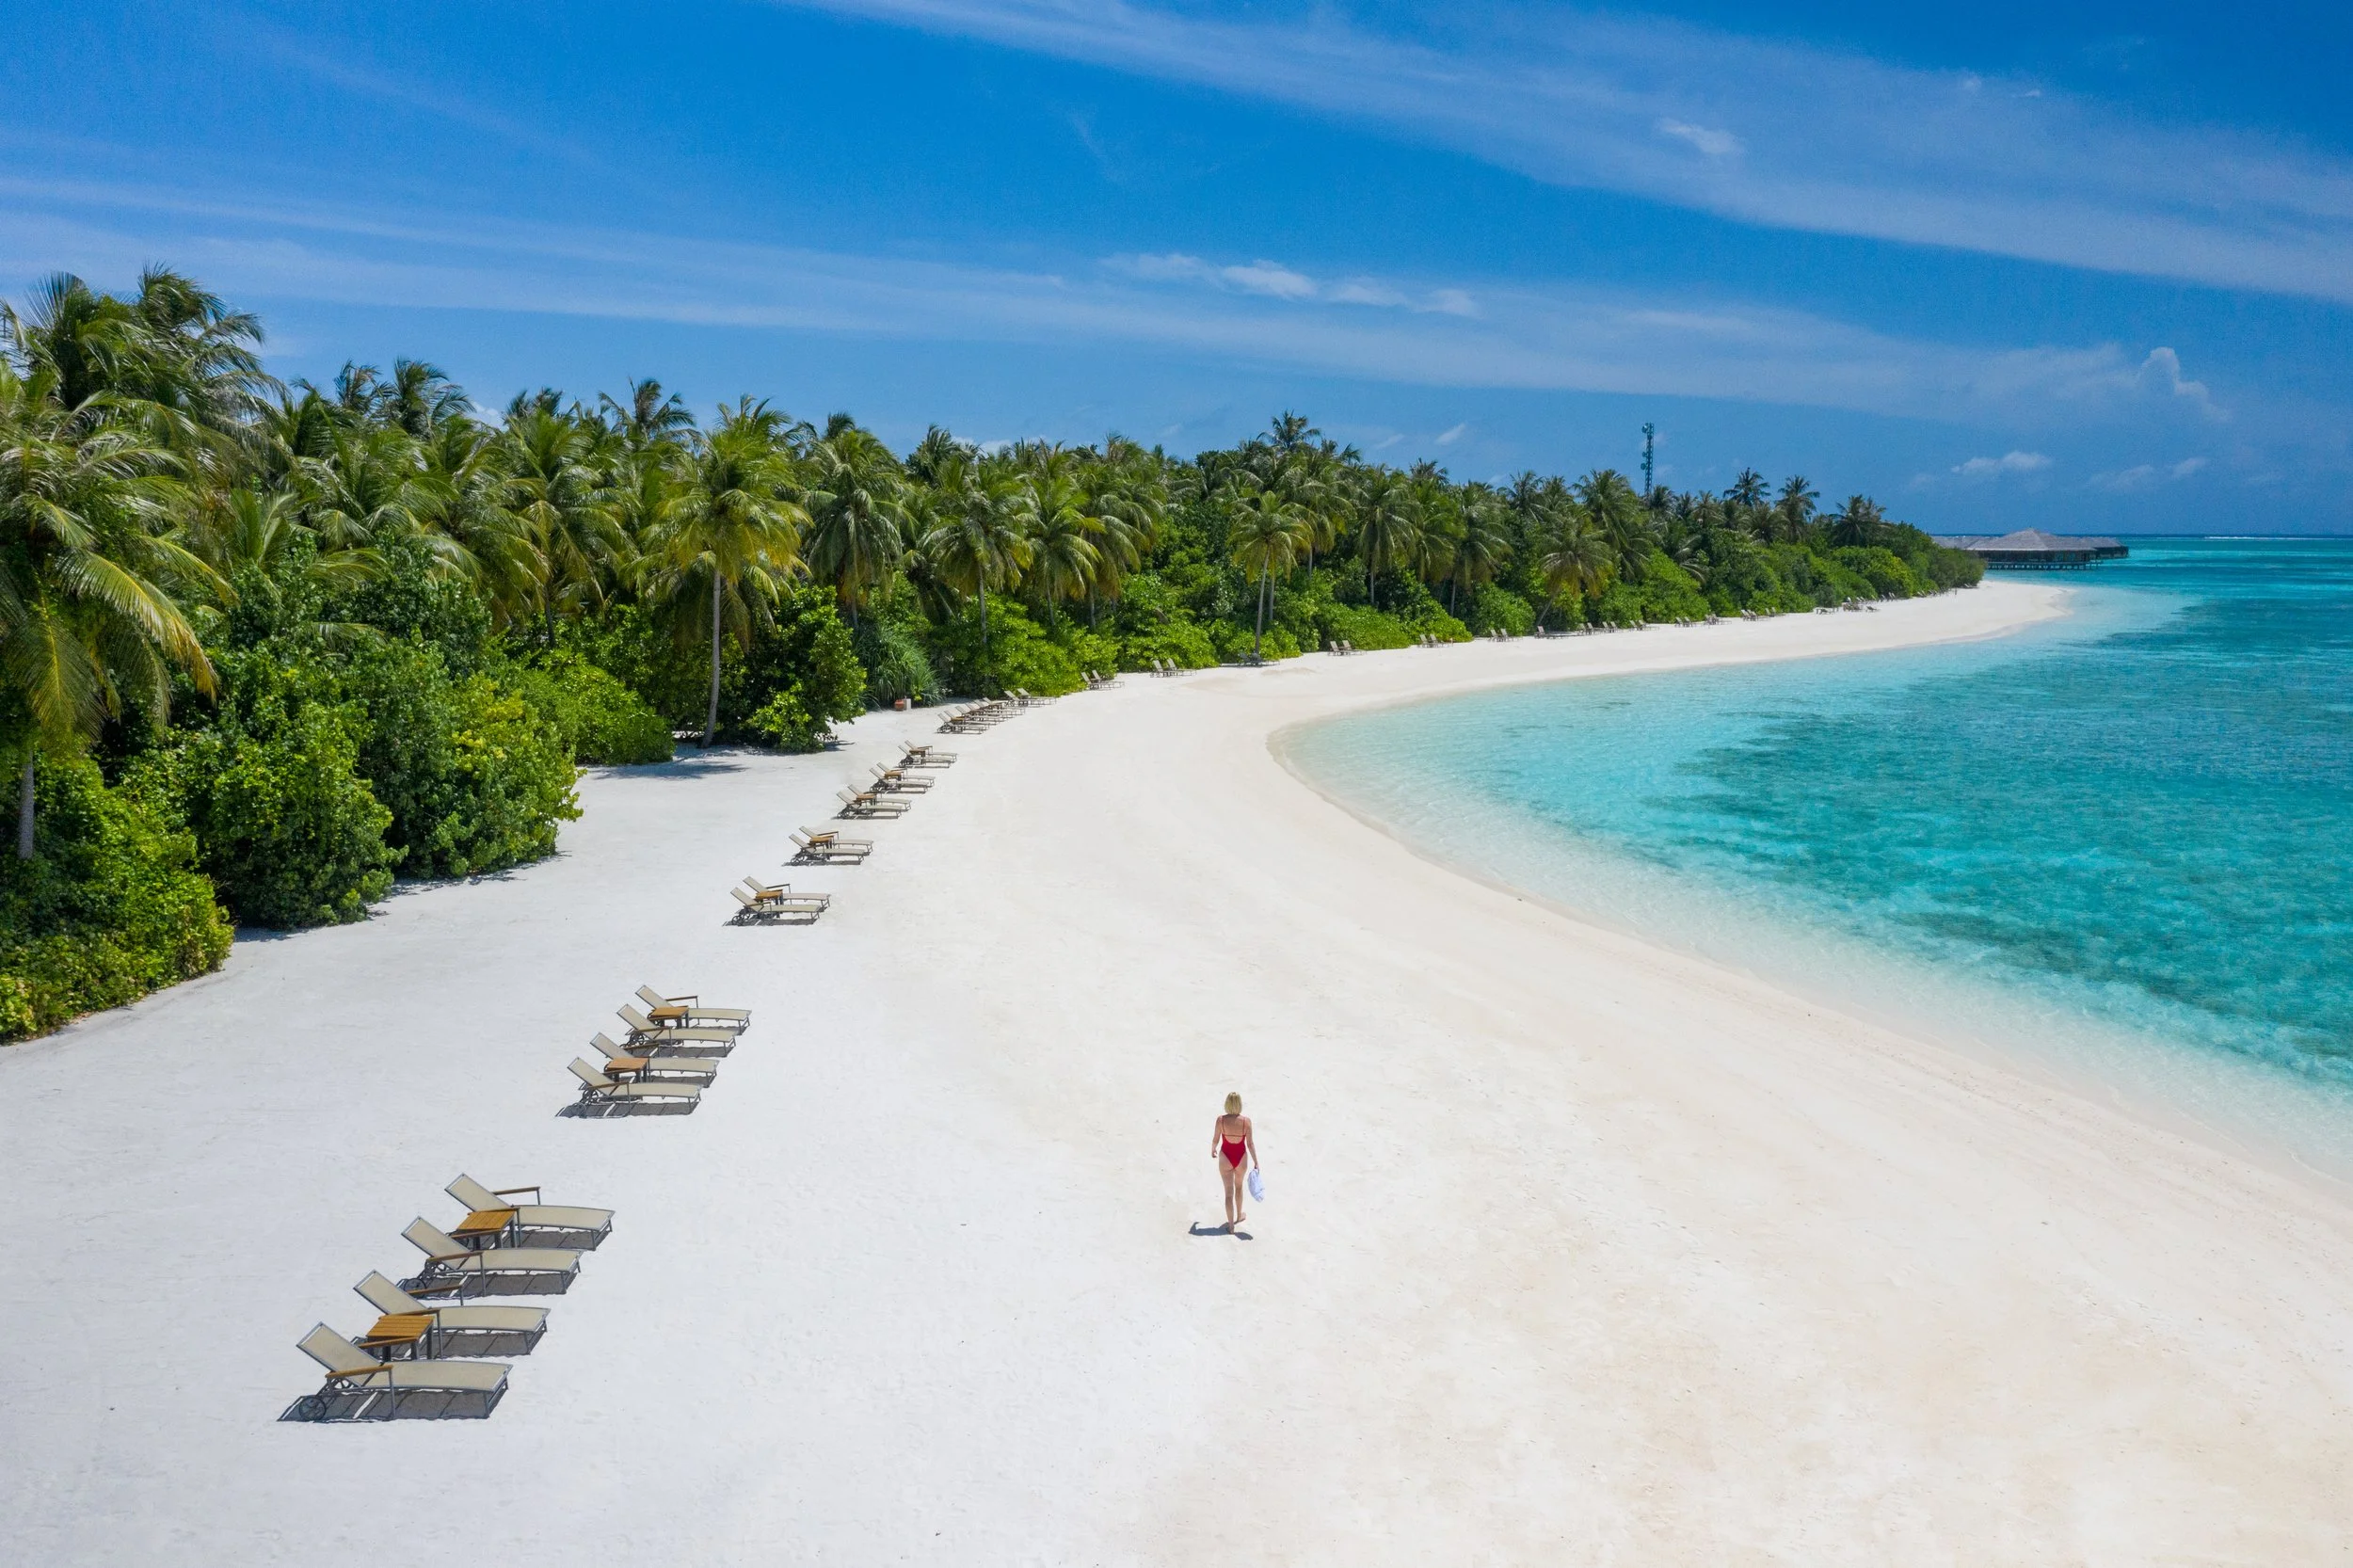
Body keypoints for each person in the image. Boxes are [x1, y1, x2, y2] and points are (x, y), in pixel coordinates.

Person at [1212, 1092, 1258, 1231]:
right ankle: (1239, 1216)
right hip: (1241, 1158)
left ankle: (1231, 1226)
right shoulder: (1246, 1122)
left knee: (1228, 1192)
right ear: (1239, 1104)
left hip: (1225, 1157)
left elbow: (1216, 1139)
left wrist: (1213, 1149)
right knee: (1238, 1187)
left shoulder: (1221, 1120)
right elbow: (1250, 1144)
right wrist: (1256, 1161)